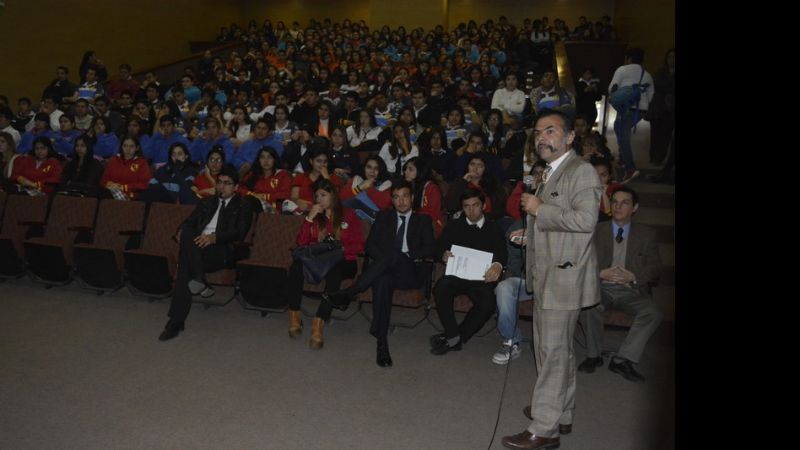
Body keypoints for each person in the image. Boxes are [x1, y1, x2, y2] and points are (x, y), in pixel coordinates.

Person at [502, 109, 601, 450]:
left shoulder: (582, 171)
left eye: (551, 131)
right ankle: (562, 412)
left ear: (570, 137)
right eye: (538, 132)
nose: (542, 137)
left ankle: (545, 428)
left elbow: (586, 221)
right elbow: (558, 224)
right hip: (547, 272)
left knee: (552, 352)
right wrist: (529, 237)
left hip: (564, 277)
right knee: (557, 352)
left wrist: (539, 209)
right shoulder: (548, 172)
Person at [323, 181, 435, 367]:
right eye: (397, 197)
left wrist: (405, 255)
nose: (401, 201)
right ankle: (382, 343)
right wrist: (388, 259)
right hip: (386, 270)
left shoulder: (423, 221)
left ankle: (350, 292)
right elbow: (370, 246)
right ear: (392, 200)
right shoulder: (384, 217)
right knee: (382, 280)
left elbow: (430, 248)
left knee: (393, 255)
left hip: (411, 271)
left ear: (412, 198)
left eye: (405, 196)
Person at [577, 187, 662, 382]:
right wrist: (599, 273)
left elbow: (656, 267)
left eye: (625, 202)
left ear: (634, 208)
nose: (618, 206)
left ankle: (622, 360)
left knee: (654, 313)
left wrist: (633, 275)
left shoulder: (647, 234)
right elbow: (581, 260)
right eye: (614, 201)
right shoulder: (596, 230)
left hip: (630, 290)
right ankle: (593, 355)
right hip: (600, 286)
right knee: (589, 304)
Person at [158, 166, 253, 341]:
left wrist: (213, 238)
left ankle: (175, 322)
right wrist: (181, 230)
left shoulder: (243, 205)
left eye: (227, 184)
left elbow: (239, 232)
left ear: (236, 187)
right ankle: (198, 281)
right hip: (198, 247)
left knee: (185, 263)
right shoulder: (206, 202)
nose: (222, 187)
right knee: (187, 233)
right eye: (220, 183)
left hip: (221, 249)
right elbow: (190, 222)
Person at [286, 178, 364, 349]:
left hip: (344, 260)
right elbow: (301, 244)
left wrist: (341, 248)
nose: (319, 199)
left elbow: (359, 244)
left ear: (333, 195)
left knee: (334, 274)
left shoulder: (348, 214)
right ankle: (294, 315)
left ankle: (319, 322)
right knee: (296, 267)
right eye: (316, 196)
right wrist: (309, 218)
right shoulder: (315, 215)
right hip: (318, 261)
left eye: (323, 195)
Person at [429, 188, 507, 355]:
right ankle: (452, 335)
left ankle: (456, 338)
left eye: (475, 205)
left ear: (484, 206)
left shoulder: (494, 228)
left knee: (487, 303)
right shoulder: (455, 225)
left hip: (481, 279)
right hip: (457, 275)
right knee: (441, 288)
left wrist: (497, 265)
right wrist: (443, 254)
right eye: (466, 206)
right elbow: (437, 248)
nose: (471, 211)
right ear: (462, 208)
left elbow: (502, 253)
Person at [608, 47, 654, 183]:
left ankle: (630, 168)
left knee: (623, 135)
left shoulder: (622, 69)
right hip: (641, 109)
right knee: (620, 128)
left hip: (626, 108)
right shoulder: (647, 74)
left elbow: (612, 88)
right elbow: (651, 95)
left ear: (628, 58)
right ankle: (623, 159)